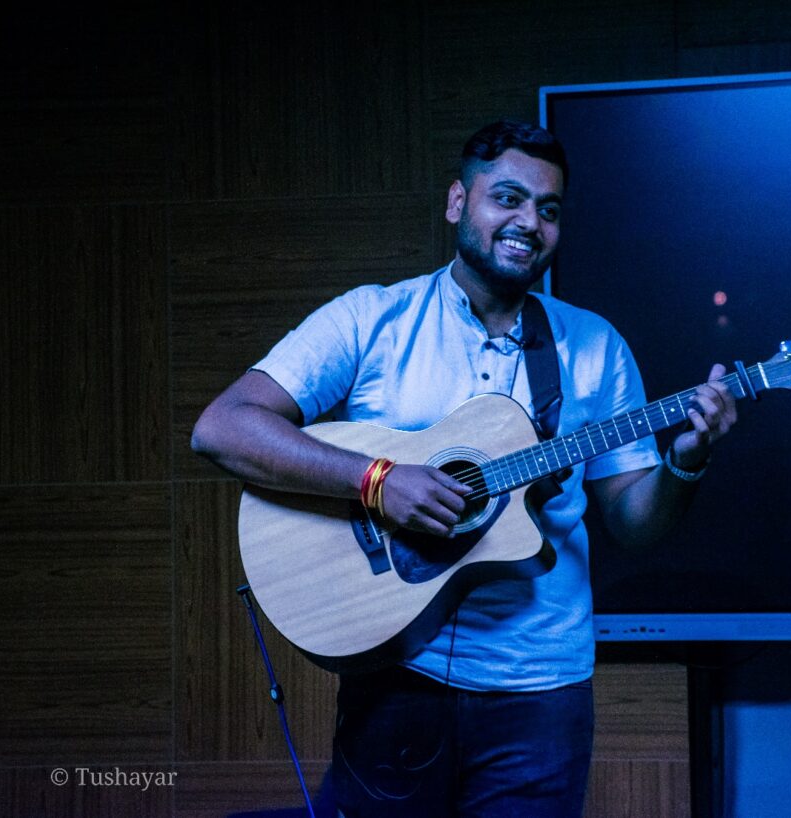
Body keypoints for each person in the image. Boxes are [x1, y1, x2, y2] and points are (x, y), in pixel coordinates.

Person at [191, 120, 737, 818]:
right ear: (458, 202)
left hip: (541, 690)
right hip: (397, 670)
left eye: (548, 209)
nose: (529, 222)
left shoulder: (596, 346)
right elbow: (223, 427)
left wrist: (687, 462)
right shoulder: (373, 318)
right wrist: (378, 480)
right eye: (508, 198)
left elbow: (634, 524)